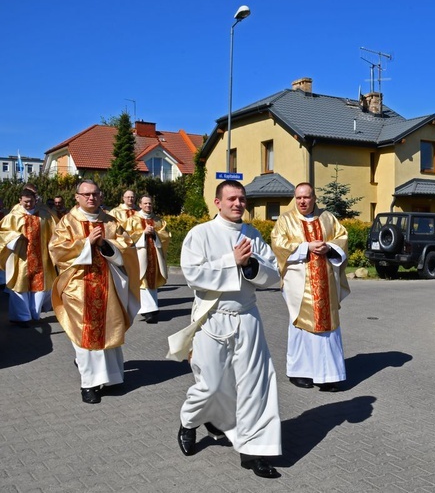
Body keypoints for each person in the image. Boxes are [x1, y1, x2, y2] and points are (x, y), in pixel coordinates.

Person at [175, 180, 282, 479]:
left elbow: (273, 273)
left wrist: (250, 268)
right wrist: (231, 262)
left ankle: (255, 450)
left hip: (247, 317)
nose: (238, 204)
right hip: (212, 318)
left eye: (242, 199)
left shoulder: (253, 235)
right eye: (232, 199)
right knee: (209, 383)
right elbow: (193, 275)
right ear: (217, 202)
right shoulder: (201, 234)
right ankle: (189, 421)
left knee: (256, 386)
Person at [48, 180, 140, 404]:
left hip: (108, 284)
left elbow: (127, 247)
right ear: (77, 197)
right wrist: (85, 243)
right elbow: (57, 251)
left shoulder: (111, 221)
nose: (91, 198)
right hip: (78, 286)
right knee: (85, 334)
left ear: (101, 196)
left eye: (95, 194)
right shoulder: (67, 222)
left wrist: (106, 244)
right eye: (86, 194)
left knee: (110, 327)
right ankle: (88, 384)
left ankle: (113, 378)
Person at [270, 182, 350, 392]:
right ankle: (300, 372)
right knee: (301, 328)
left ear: (314, 198)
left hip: (325, 281)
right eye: (298, 198)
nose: (302, 201)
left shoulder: (328, 218)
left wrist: (329, 247)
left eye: (306, 197)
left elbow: (342, 237)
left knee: (328, 330)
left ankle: (328, 375)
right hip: (298, 284)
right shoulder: (286, 220)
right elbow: (278, 245)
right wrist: (307, 247)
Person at [0, 189, 57, 327]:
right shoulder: (13, 216)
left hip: (41, 258)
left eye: (31, 201)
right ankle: (21, 318)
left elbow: (56, 232)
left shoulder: (45, 216)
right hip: (20, 258)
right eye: (26, 201)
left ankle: (34, 314)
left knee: (39, 288)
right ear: (20, 200)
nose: (29, 204)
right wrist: (13, 237)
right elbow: (3, 233)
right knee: (20, 287)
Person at [123, 194, 170, 323]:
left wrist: (155, 233)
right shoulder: (133, 219)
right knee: (143, 281)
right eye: (145, 203)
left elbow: (166, 235)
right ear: (140, 205)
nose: (148, 206)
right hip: (140, 256)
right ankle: (149, 310)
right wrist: (143, 233)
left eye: (150, 203)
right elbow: (126, 237)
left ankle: (151, 308)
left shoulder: (158, 220)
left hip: (154, 256)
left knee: (152, 281)